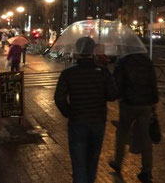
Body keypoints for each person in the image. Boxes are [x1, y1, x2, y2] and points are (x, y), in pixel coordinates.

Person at [54, 37, 117, 183]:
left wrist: (68, 112)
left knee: (78, 161)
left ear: (77, 50)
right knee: (92, 160)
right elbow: (113, 95)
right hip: (98, 121)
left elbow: (59, 98)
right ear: (93, 50)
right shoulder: (102, 72)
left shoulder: (68, 73)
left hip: (77, 121)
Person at [109, 52, 159, 183]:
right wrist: (154, 101)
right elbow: (153, 82)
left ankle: (118, 162)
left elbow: (117, 83)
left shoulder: (122, 61)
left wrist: (119, 97)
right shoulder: (147, 61)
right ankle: (146, 171)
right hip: (146, 104)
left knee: (122, 133)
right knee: (145, 137)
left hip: (128, 104)